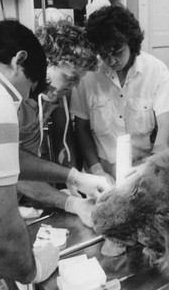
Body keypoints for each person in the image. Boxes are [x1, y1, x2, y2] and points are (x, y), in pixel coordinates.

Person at [0, 20, 58, 283]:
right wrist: (33, 270)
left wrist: (73, 176)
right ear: (19, 60)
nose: (25, 101)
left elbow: (1, 160)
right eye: (29, 89)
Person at [70, 5, 169, 179]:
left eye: (117, 52)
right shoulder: (88, 76)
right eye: (104, 55)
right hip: (101, 167)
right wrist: (96, 169)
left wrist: (152, 163)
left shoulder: (156, 71)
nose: (112, 60)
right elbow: (81, 129)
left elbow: (166, 123)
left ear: (131, 42)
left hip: (144, 164)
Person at [17, 21, 106, 227]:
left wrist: (72, 197)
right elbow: (11, 166)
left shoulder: (51, 98)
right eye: (69, 78)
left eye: (77, 81)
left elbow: (26, 171)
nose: (73, 86)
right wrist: (73, 179)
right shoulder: (14, 101)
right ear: (45, 62)